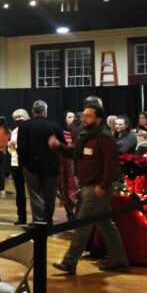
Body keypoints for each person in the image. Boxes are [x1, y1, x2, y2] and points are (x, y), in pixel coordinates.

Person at [51, 104, 131, 274]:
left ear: (98, 119)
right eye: (84, 115)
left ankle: (69, 262)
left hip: (96, 188)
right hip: (89, 186)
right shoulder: (86, 136)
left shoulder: (105, 138)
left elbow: (111, 165)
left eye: (88, 116)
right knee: (106, 225)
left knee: (82, 224)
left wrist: (103, 186)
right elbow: (74, 153)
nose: (83, 118)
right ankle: (120, 261)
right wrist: (58, 146)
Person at [16, 100, 67, 223]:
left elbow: (21, 147)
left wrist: (22, 163)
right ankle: (48, 218)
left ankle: (39, 221)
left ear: (33, 111)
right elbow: (63, 145)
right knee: (50, 193)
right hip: (51, 165)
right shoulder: (55, 125)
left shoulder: (25, 125)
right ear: (45, 111)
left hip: (31, 165)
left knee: (35, 194)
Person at [8, 109, 31, 225]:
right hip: (15, 163)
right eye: (15, 117)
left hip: (28, 163)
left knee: (32, 192)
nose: (17, 119)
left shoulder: (31, 129)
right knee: (19, 192)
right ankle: (21, 217)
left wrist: (16, 144)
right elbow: (11, 150)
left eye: (20, 117)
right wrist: (11, 145)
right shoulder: (15, 131)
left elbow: (27, 146)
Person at [57, 112, 81, 220]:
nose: (72, 119)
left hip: (78, 165)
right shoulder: (61, 133)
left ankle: (79, 214)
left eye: (74, 117)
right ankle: (70, 214)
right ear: (65, 119)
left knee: (79, 192)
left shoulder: (79, 131)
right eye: (69, 117)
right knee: (65, 190)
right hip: (65, 166)